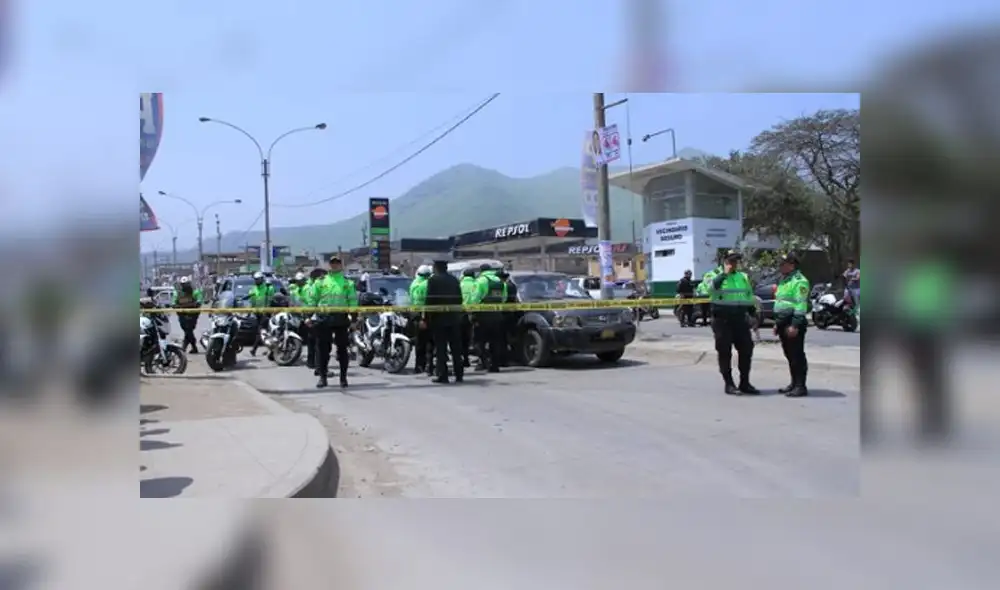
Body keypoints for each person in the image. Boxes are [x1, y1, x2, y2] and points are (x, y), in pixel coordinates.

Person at [710, 250, 759, 395]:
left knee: (747, 349)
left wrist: (753, 314)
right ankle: (729, 384)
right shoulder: (713, 275)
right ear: (723, 261)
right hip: (722, 320)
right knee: (725, 352)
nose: (734, 264)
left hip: (740, 319)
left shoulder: (742, 276)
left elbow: (748, 296)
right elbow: (710, 290)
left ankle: (745, 383)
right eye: (730, 260)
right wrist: (723, 275)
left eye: (736, 261)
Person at [308, 256, 357, 388]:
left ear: (341, 265)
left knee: (342, 350)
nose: (334, 265)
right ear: (328, 265)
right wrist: (308, 316)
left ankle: (343, 378)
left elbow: (352, 301)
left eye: (337, 263)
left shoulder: (347, 283)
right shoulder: (320, 282)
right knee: (323, 350)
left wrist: (354, 319)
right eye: (332, 263)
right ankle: (322, 378)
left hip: (341, 318)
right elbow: (313, 300)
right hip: (324, 318)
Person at [772, 253, 811, 397]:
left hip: (793, 323)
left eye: (783, 264)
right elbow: (781, 303)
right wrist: (777, 324)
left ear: (792, 265)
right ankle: (794, 383)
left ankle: (800, 386)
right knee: (789, 355)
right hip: (783, 322)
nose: (780, 266)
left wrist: (794, 325)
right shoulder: (784, 280)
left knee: (797, 356)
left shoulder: (799, 281)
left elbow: (800, 305)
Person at [425, 260, 465, 383]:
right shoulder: (454, 280)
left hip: (439, 319)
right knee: (456, 349)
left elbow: (429, 300)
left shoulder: (433, 280)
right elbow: (460, 299)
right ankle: (459, 374)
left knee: (441, 349)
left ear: (436, 268)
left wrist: (427, 317)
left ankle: (443, 375)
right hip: (454, 318)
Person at [471, 263, 507, 373]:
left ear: (481, 271)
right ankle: (495, 365)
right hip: (497, 315)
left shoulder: (480, 281)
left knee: (479, 341)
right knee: (495, 342)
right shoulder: (500, 281)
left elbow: (475, 299)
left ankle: (484, 362)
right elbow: (503, 299)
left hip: (483, 316)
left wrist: (472, 311)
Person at [409, 265, 433, 374]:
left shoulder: (414, 284)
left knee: (419, 343)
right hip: (425, 315)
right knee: (429, 342)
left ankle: (418, 366)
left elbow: (411, 299)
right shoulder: (427, 284)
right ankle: (428, 365)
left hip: (415, 315)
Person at [247, 271, 275, 357]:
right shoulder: (253, 289)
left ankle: (254, 349)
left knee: (261, 331)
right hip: (257, 313)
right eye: (255, 279)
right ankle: (271, 350)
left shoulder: (268, 288)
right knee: (265, 332)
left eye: (258, 279)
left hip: (266, 313)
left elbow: (272, 300)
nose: (256, 281)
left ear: (262, 279)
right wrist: (250, 311)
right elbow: (252, 302)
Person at [303, 268, 326, 370]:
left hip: (311, 315)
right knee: (317, 342)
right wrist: (309, 317)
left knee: (312, 341)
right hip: (313, 315)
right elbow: (310, 303)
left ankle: (311, 362)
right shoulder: (311, 288)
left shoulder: (310, 286)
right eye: (322, 277)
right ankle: (318, 366)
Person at [172, 276, 201, 353]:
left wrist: (196, 303)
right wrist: (175, 305)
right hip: (182, 314)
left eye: (186, 284)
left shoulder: (195, 291)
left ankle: (185, 347)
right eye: (183, 284)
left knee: (189, 330)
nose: (185, 286)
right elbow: (173, 302)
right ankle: (192, 347)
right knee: (187, 330)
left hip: (192, 314)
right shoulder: (177, 292)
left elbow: (199, 301)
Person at [498, 269, 519, 366]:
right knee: (511, 337)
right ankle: (514, 357)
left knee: (502, 339)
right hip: (512, 313)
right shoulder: (512, 285)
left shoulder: (503, 286)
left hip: (503, 314)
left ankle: (504, 360)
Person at [459, 268, 478, 368]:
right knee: (472, 337)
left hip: (461, 314)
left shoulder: (460, 285)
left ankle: (464, 358)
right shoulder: (475, 284)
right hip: (473, 314)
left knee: (462, 338)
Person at [697, 257, 724, 327]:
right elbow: (698, 291)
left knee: (710, 310)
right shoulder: (700, 284)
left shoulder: (709, 280)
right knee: (704, 311)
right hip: (703, 297)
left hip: (710, 296)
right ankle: (705, 322)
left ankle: (712, 321)